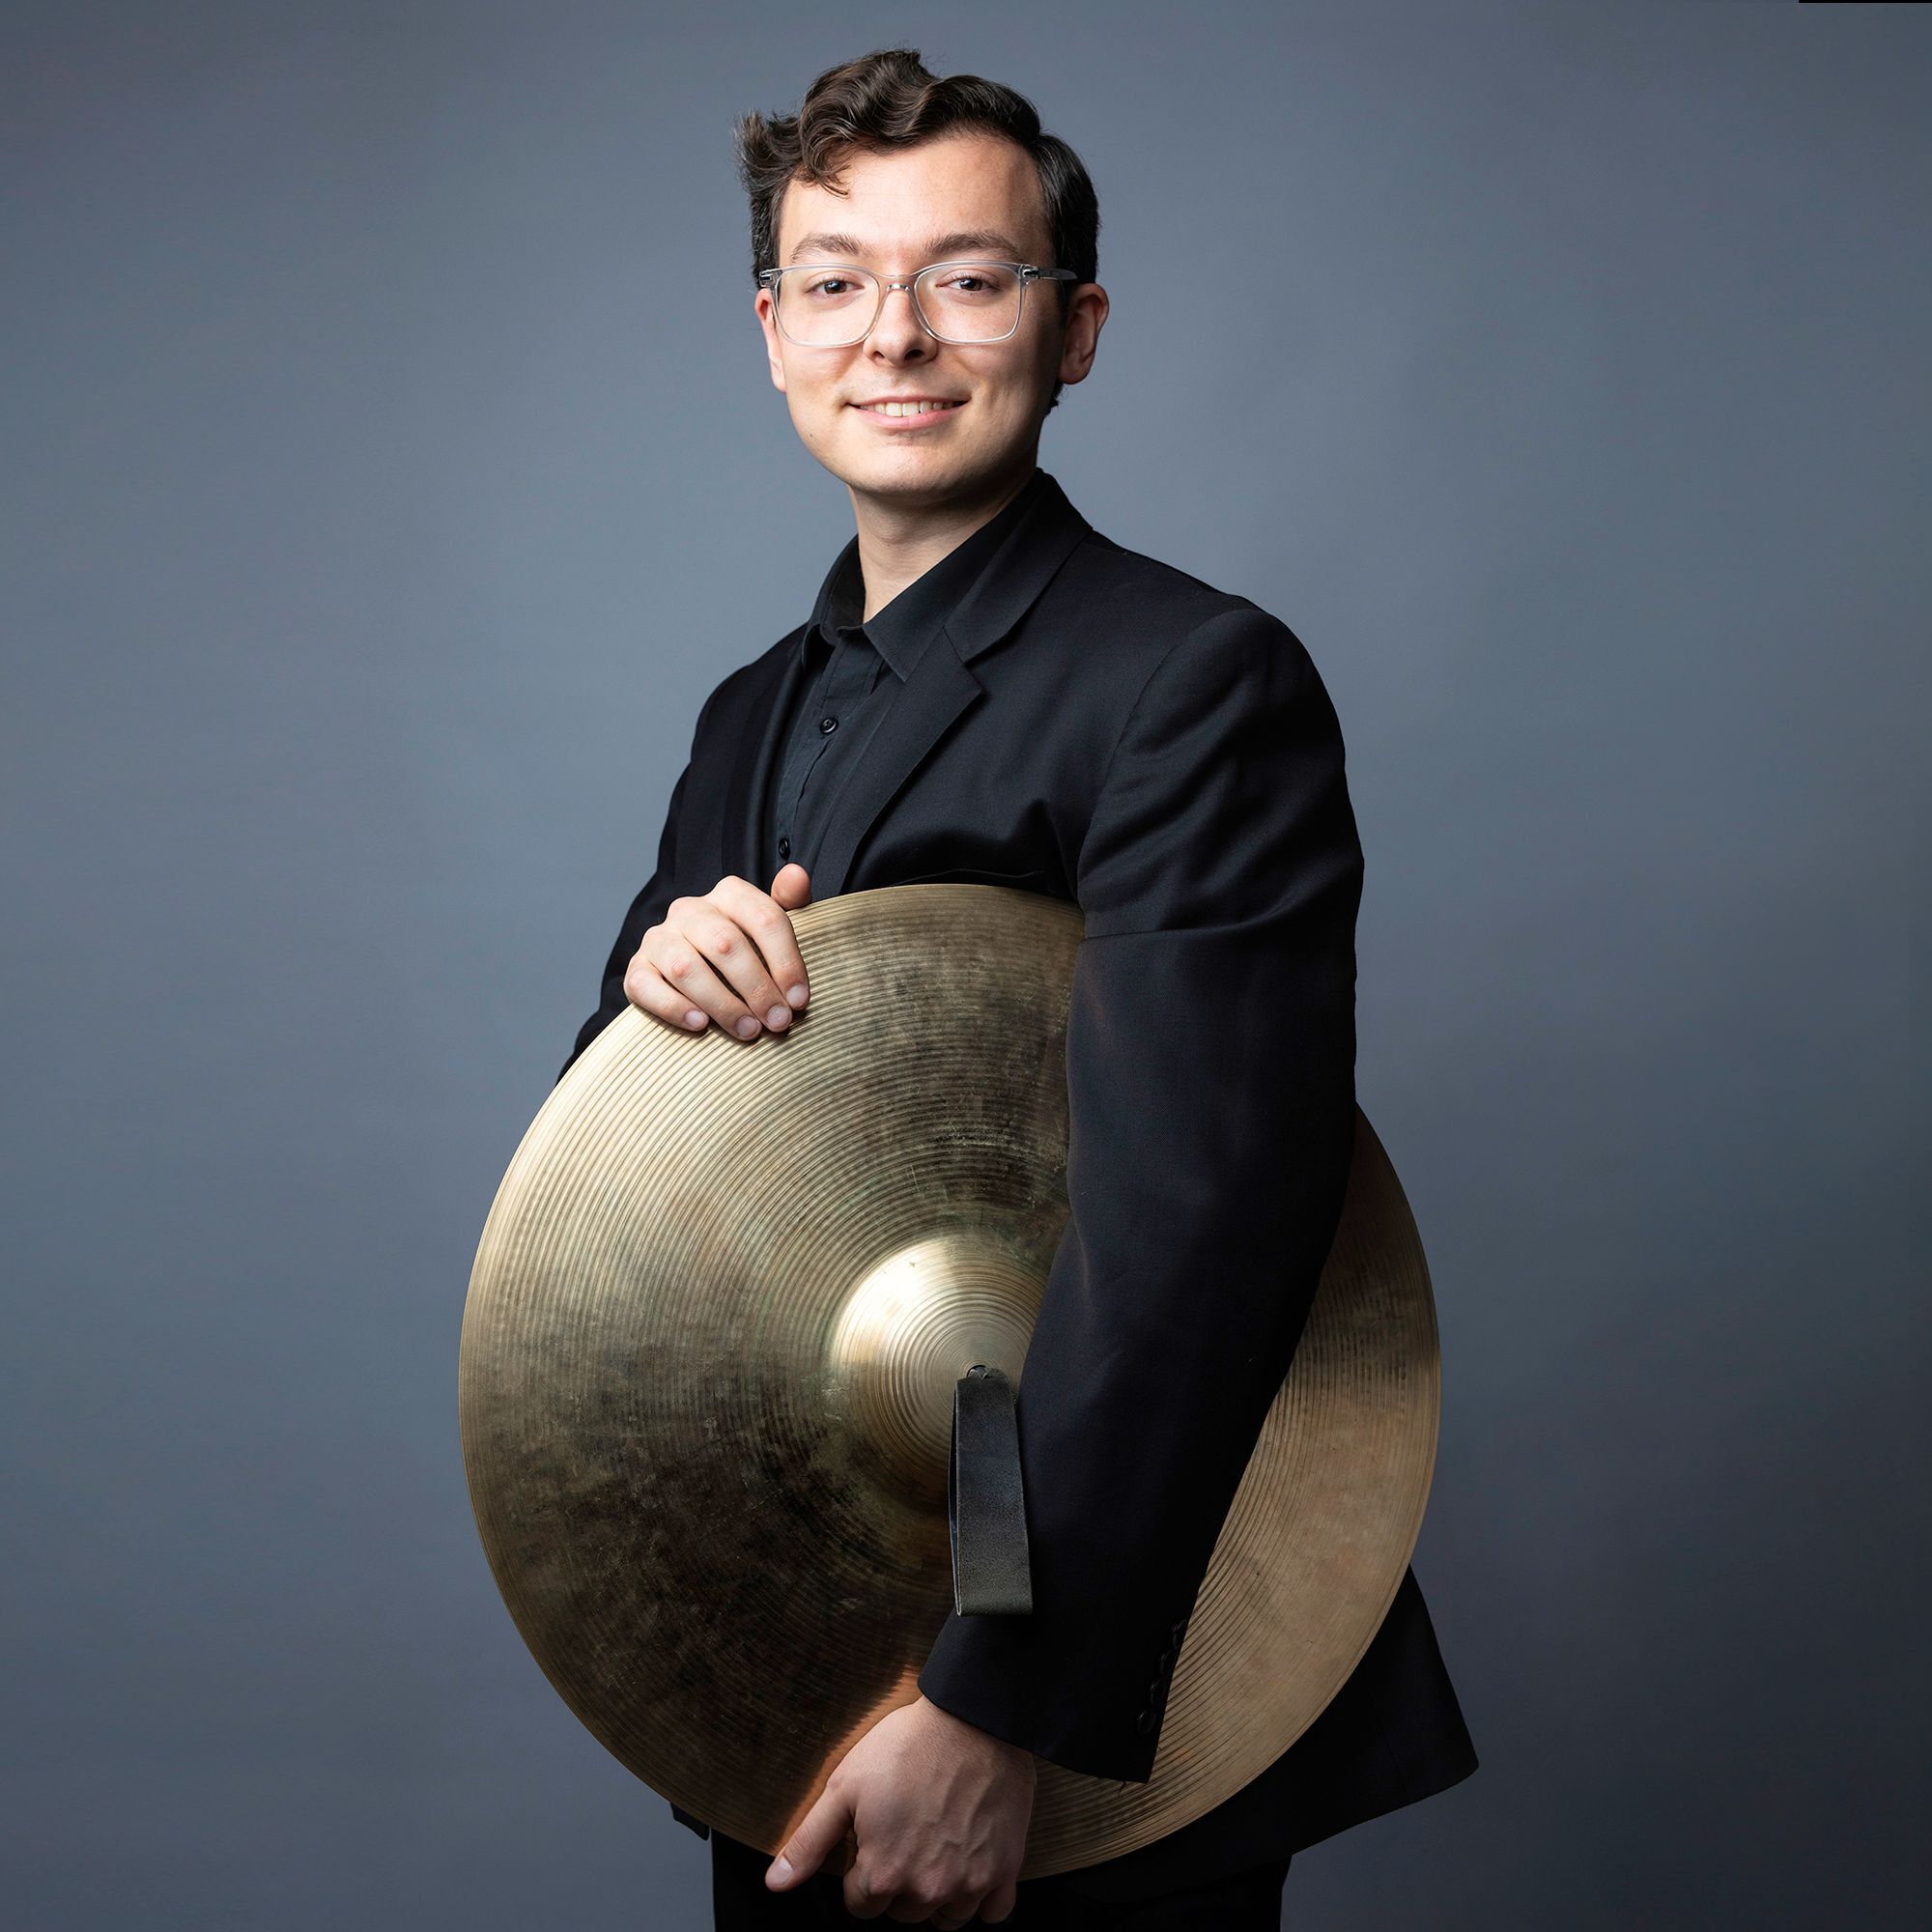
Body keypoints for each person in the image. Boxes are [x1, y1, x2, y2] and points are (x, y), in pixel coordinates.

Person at [558, 47, 1478, 1930]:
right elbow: (635, 1197)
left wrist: (997, 1698)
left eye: (970, 277)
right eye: (834, 281)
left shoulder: (1193, 681)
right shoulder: (751, 709)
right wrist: (645, 1002)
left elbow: (1195, 1236)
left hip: (1081, 1661)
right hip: (800, 1616)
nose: (895, 334)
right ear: (770, 330)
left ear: (1073, 331)